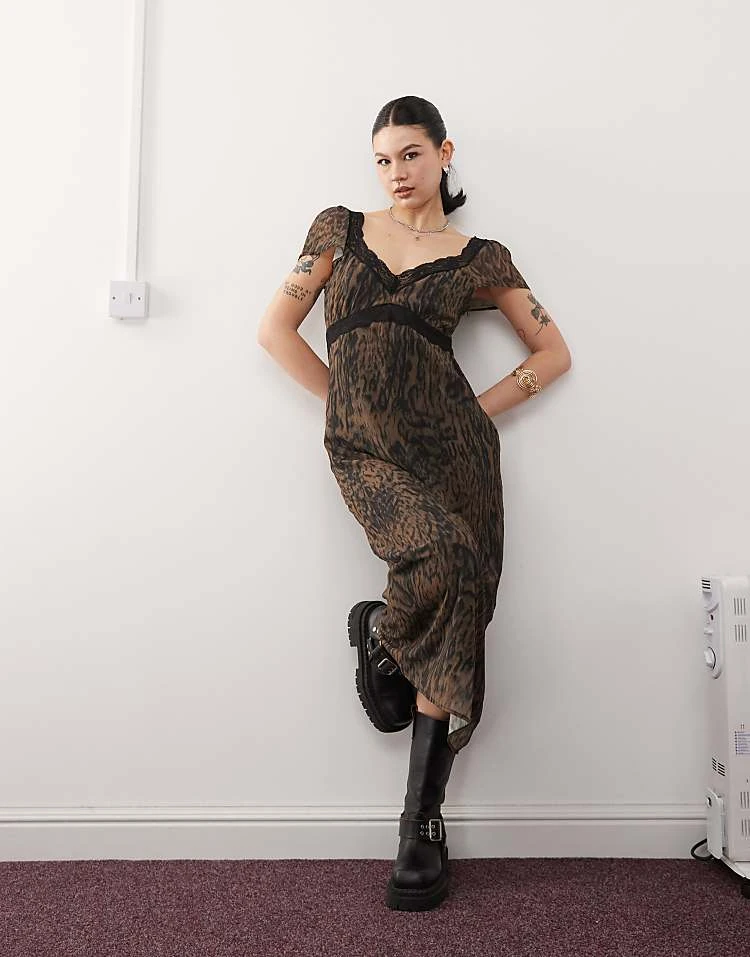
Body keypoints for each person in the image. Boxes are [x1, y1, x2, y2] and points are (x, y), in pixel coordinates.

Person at [257, 95, 572, 911]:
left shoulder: (480, 256)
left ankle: (420, 824)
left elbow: (553, 350)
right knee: (445, 555)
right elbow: (275, 331)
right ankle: (387, 634)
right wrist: (344, 408)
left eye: (410, 154)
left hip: (455, 452)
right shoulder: (338, 230)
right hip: (365, 448)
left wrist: (477, 411)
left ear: (444, 153)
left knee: (461, 589)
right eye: (382, 160)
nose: (395, 172)